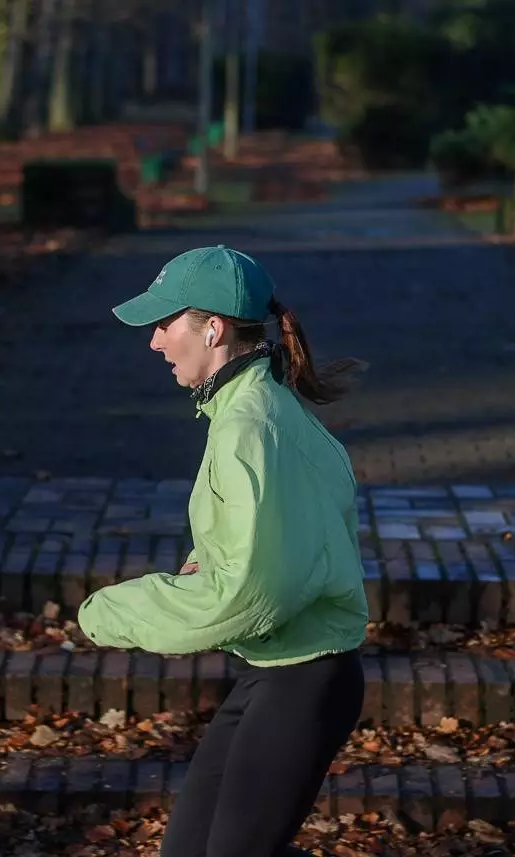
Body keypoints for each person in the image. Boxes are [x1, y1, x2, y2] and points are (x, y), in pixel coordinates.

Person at [76, 245, 370, 857]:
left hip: (305, 676)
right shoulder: (259, 407)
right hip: (277, 671)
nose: (155, 342)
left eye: (164, 324)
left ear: (211, 328)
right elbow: (282, 534)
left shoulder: (248, 426)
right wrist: (210, 557)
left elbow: (248, 595)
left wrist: (110, 612)